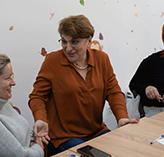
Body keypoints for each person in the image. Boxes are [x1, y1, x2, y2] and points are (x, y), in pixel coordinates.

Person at [28, 15, 139, 156]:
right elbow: (37, 96)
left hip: (96, 131)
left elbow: (113, 92)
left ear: (89, 41)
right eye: (64, 41)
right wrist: (40, 119)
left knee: (122, 150)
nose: (68, 48)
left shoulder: (102, 59)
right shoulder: (52, 61)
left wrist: (122, 117)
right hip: (63, 137)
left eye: (74, 42)